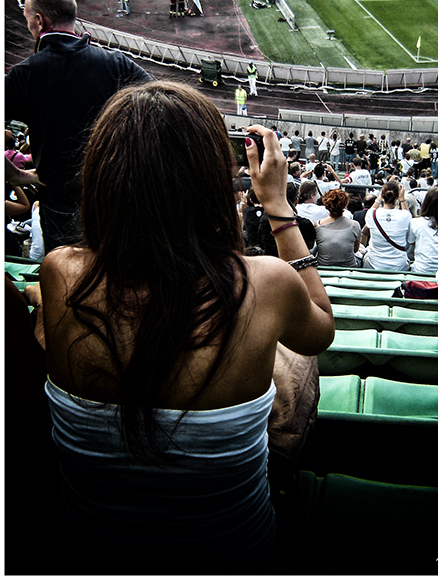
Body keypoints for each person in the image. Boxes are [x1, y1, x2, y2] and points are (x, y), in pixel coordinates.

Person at [27, 81, 334, 573]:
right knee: (293, 356)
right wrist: (276, 203)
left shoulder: (59, 272)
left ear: (102, 176)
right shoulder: (266, 283)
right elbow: (320, 330)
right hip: (234, 554)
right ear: (210, 179)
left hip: (85, 553)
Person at [5, 0, 150, 254]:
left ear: (39, 21)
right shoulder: (116, 63)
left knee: (69, 284)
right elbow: (165, 104)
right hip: (115, 199)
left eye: (27, 20)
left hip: (60, 203)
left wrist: (16, 175)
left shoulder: (23, 75)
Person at [362, 181, 411, 271]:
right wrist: (402, 199)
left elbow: (372, 209)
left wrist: (379, 198)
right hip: (399, 265)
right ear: (397, 197)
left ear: (382, 195)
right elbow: (407, 213)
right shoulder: (405, 215)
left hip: (374, 264)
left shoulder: (372, 214)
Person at [314, 189, 361, 268]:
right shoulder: (355, 225)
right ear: (345, 204)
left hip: (323, 266)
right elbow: (355, 249)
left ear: (326, 205)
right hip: (349, 267)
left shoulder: (318, 224)